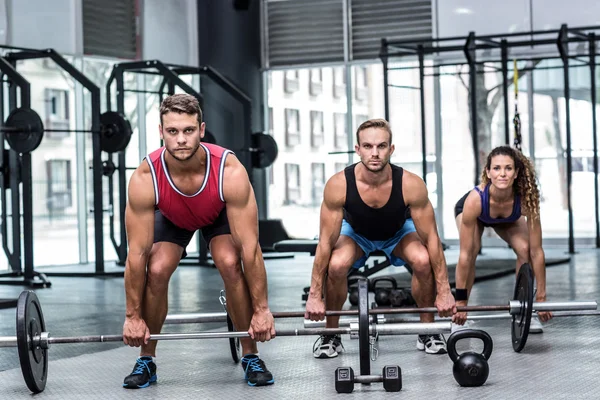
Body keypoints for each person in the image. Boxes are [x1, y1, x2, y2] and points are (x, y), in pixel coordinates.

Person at [122, 93, 275, 388]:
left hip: (217, 213)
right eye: (173, 131)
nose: (181, 139)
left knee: (230, 262)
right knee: (156, 269)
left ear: (201, 130)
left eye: (189, 131)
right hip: (173, 216)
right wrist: (132, 316)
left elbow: (250, 250)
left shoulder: (228, 170)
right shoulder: (145, 176)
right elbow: (136, 254)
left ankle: (250, 356)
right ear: (161, 132)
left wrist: (262, 310)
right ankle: (147, 360)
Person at [305, 118, 456, 357]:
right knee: (336, 264)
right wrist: (315, 296)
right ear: (358, 149)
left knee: (422, 259)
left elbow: (433, 239)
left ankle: (428, 329)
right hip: (356, 234)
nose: (374, 153)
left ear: (391, 149)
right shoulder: (338, 185)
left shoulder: (411, 184)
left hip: (397, 233)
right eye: (367, 146)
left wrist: (444, 290)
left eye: (381, 146)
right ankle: (331, 333)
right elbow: (324, 243)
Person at [452, 145, 553, 332]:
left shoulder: (526, 199)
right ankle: (461, 314)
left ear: (516, 173)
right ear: (488, 172)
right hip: (477, 214)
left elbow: (537, 251)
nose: (502, 174)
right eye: (497, 168)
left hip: (507, 218)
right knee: (472, 250)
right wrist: (459, 300)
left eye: (508, 168)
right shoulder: (475, 200)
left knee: (525, 249)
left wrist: (541, 298)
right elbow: (464, 256)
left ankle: (524, 309)